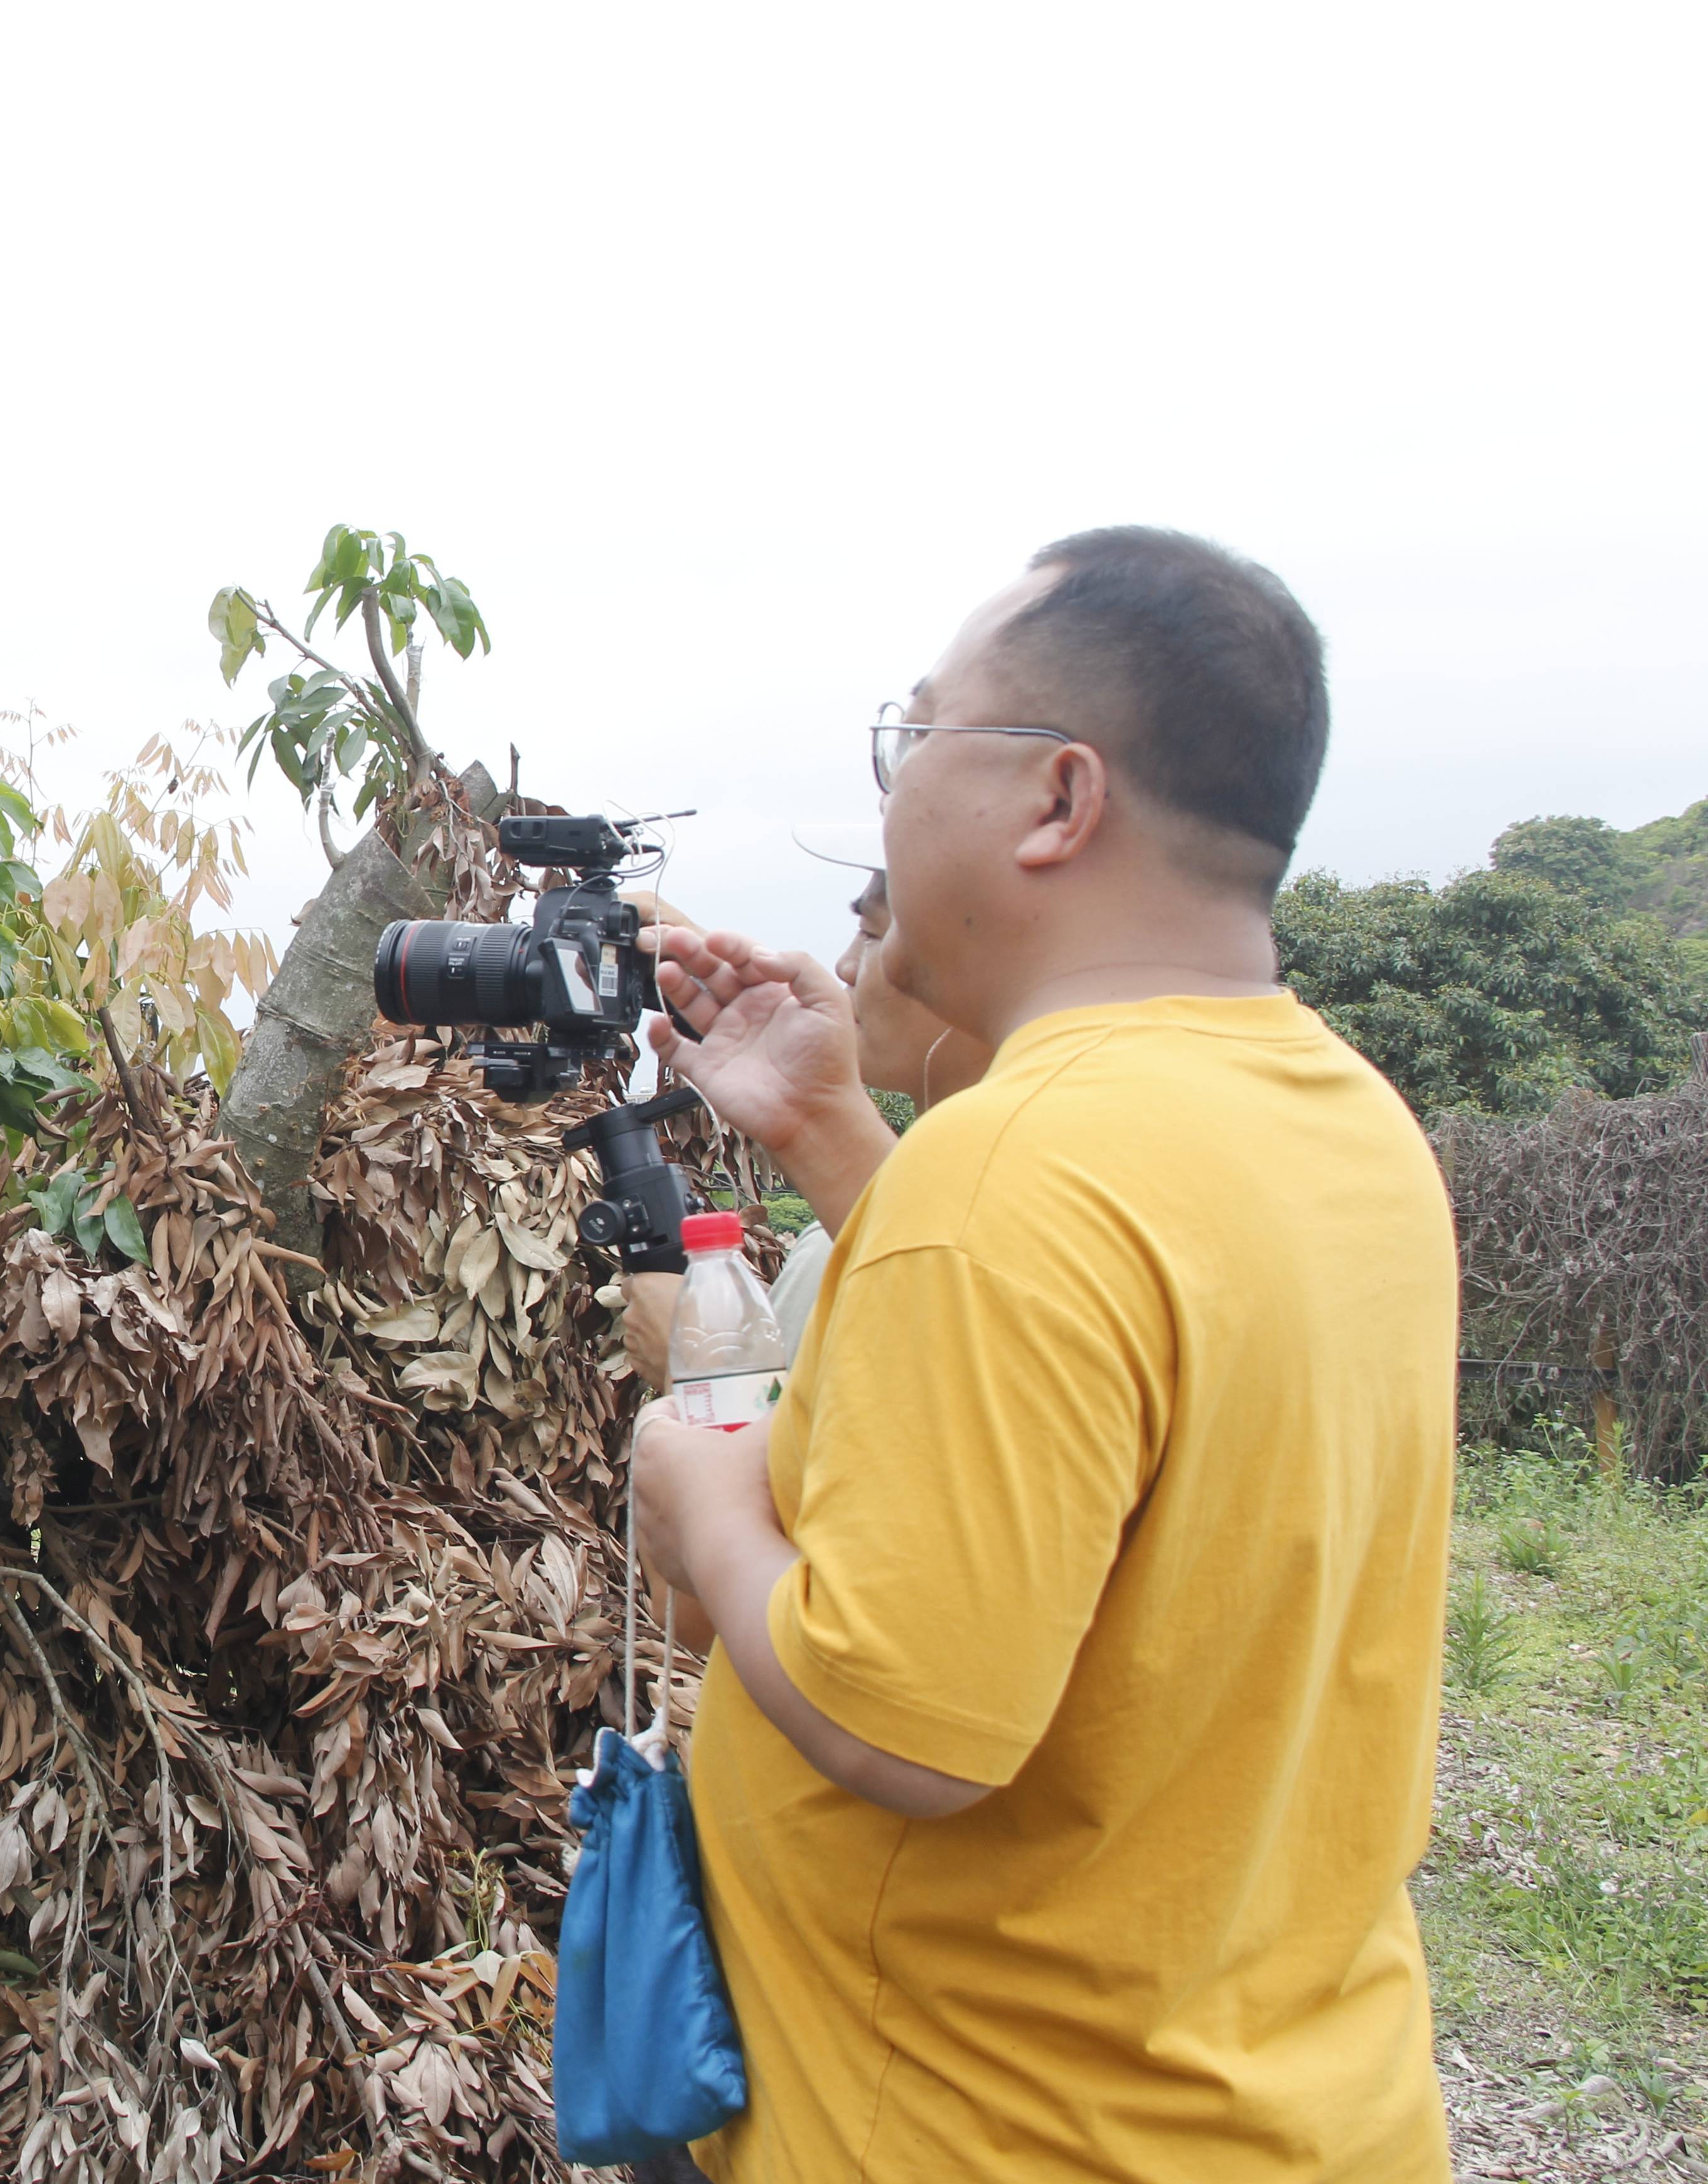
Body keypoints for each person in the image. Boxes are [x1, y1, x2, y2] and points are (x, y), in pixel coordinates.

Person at [627, 528, 1457, 2180]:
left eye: (916, 735)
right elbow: (1090, 1393)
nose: (889, 791)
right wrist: (831, 1126)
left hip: (991, 2131)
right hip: (1278, 2108)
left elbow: (904, 1727)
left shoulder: (1015, 1167)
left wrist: (704, 1505)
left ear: (1059, 800)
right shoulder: (1347, 1124)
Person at [618, 838, 994, 1386]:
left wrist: (710, 1370)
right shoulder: (1033, 1188)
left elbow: (857, 1461)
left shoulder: (842, 1254)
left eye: (872, 934)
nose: (844, 965)